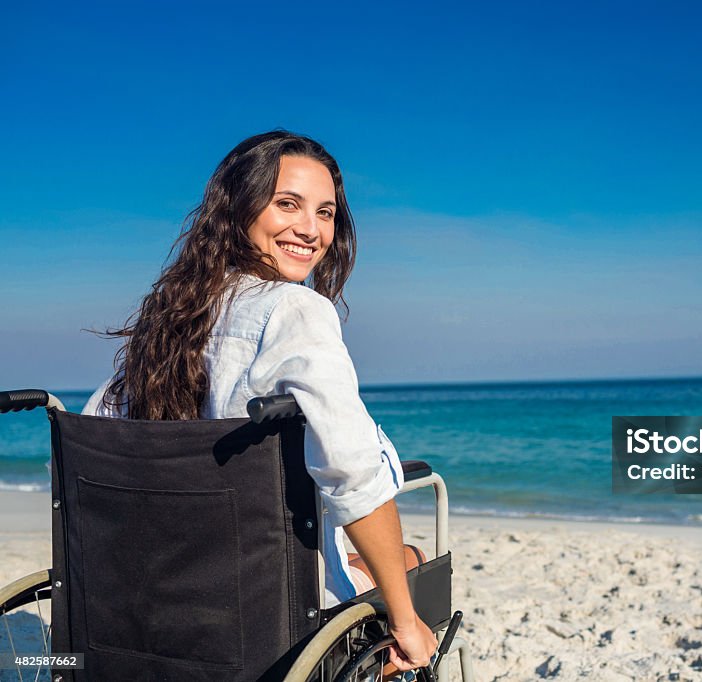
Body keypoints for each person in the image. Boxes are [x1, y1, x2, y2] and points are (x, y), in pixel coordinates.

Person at [83, 130, 437, 673]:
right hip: (267, 602)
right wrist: (406, 622)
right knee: (415, 564)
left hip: (163, 587)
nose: (311, 230)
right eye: (287, 204)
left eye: (326, 212)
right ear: (238, 208)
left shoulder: (169, 319)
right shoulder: (295, 311)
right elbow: (351, 473)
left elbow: (103, 435)